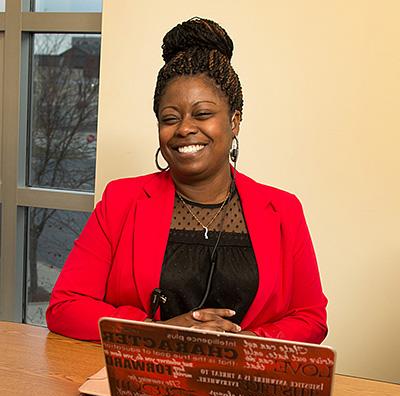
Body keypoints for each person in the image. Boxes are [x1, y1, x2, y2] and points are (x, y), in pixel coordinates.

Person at [46, 17, 327, 343]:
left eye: (203, 114)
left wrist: (242, 347)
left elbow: (312, 318)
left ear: (234, 121)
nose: (184, 129)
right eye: (170, 118)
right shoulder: (121, 200)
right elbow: (64, 306)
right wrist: (159, 332)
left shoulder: (282, 209)